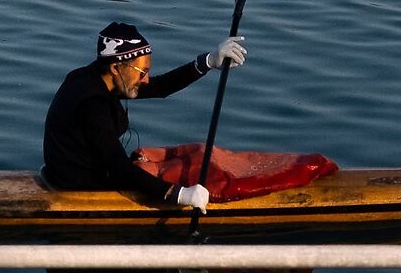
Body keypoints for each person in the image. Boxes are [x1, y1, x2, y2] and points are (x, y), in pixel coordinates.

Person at [41, 22, 248, 212]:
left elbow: (160, 87)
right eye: (142, 72)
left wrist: (208, 61)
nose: (146, 79)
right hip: (78, 189)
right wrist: (179, 194)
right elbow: (119, 169)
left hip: (68, 172)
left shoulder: (95, 76)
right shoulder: (92, 106)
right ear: (116, 68)